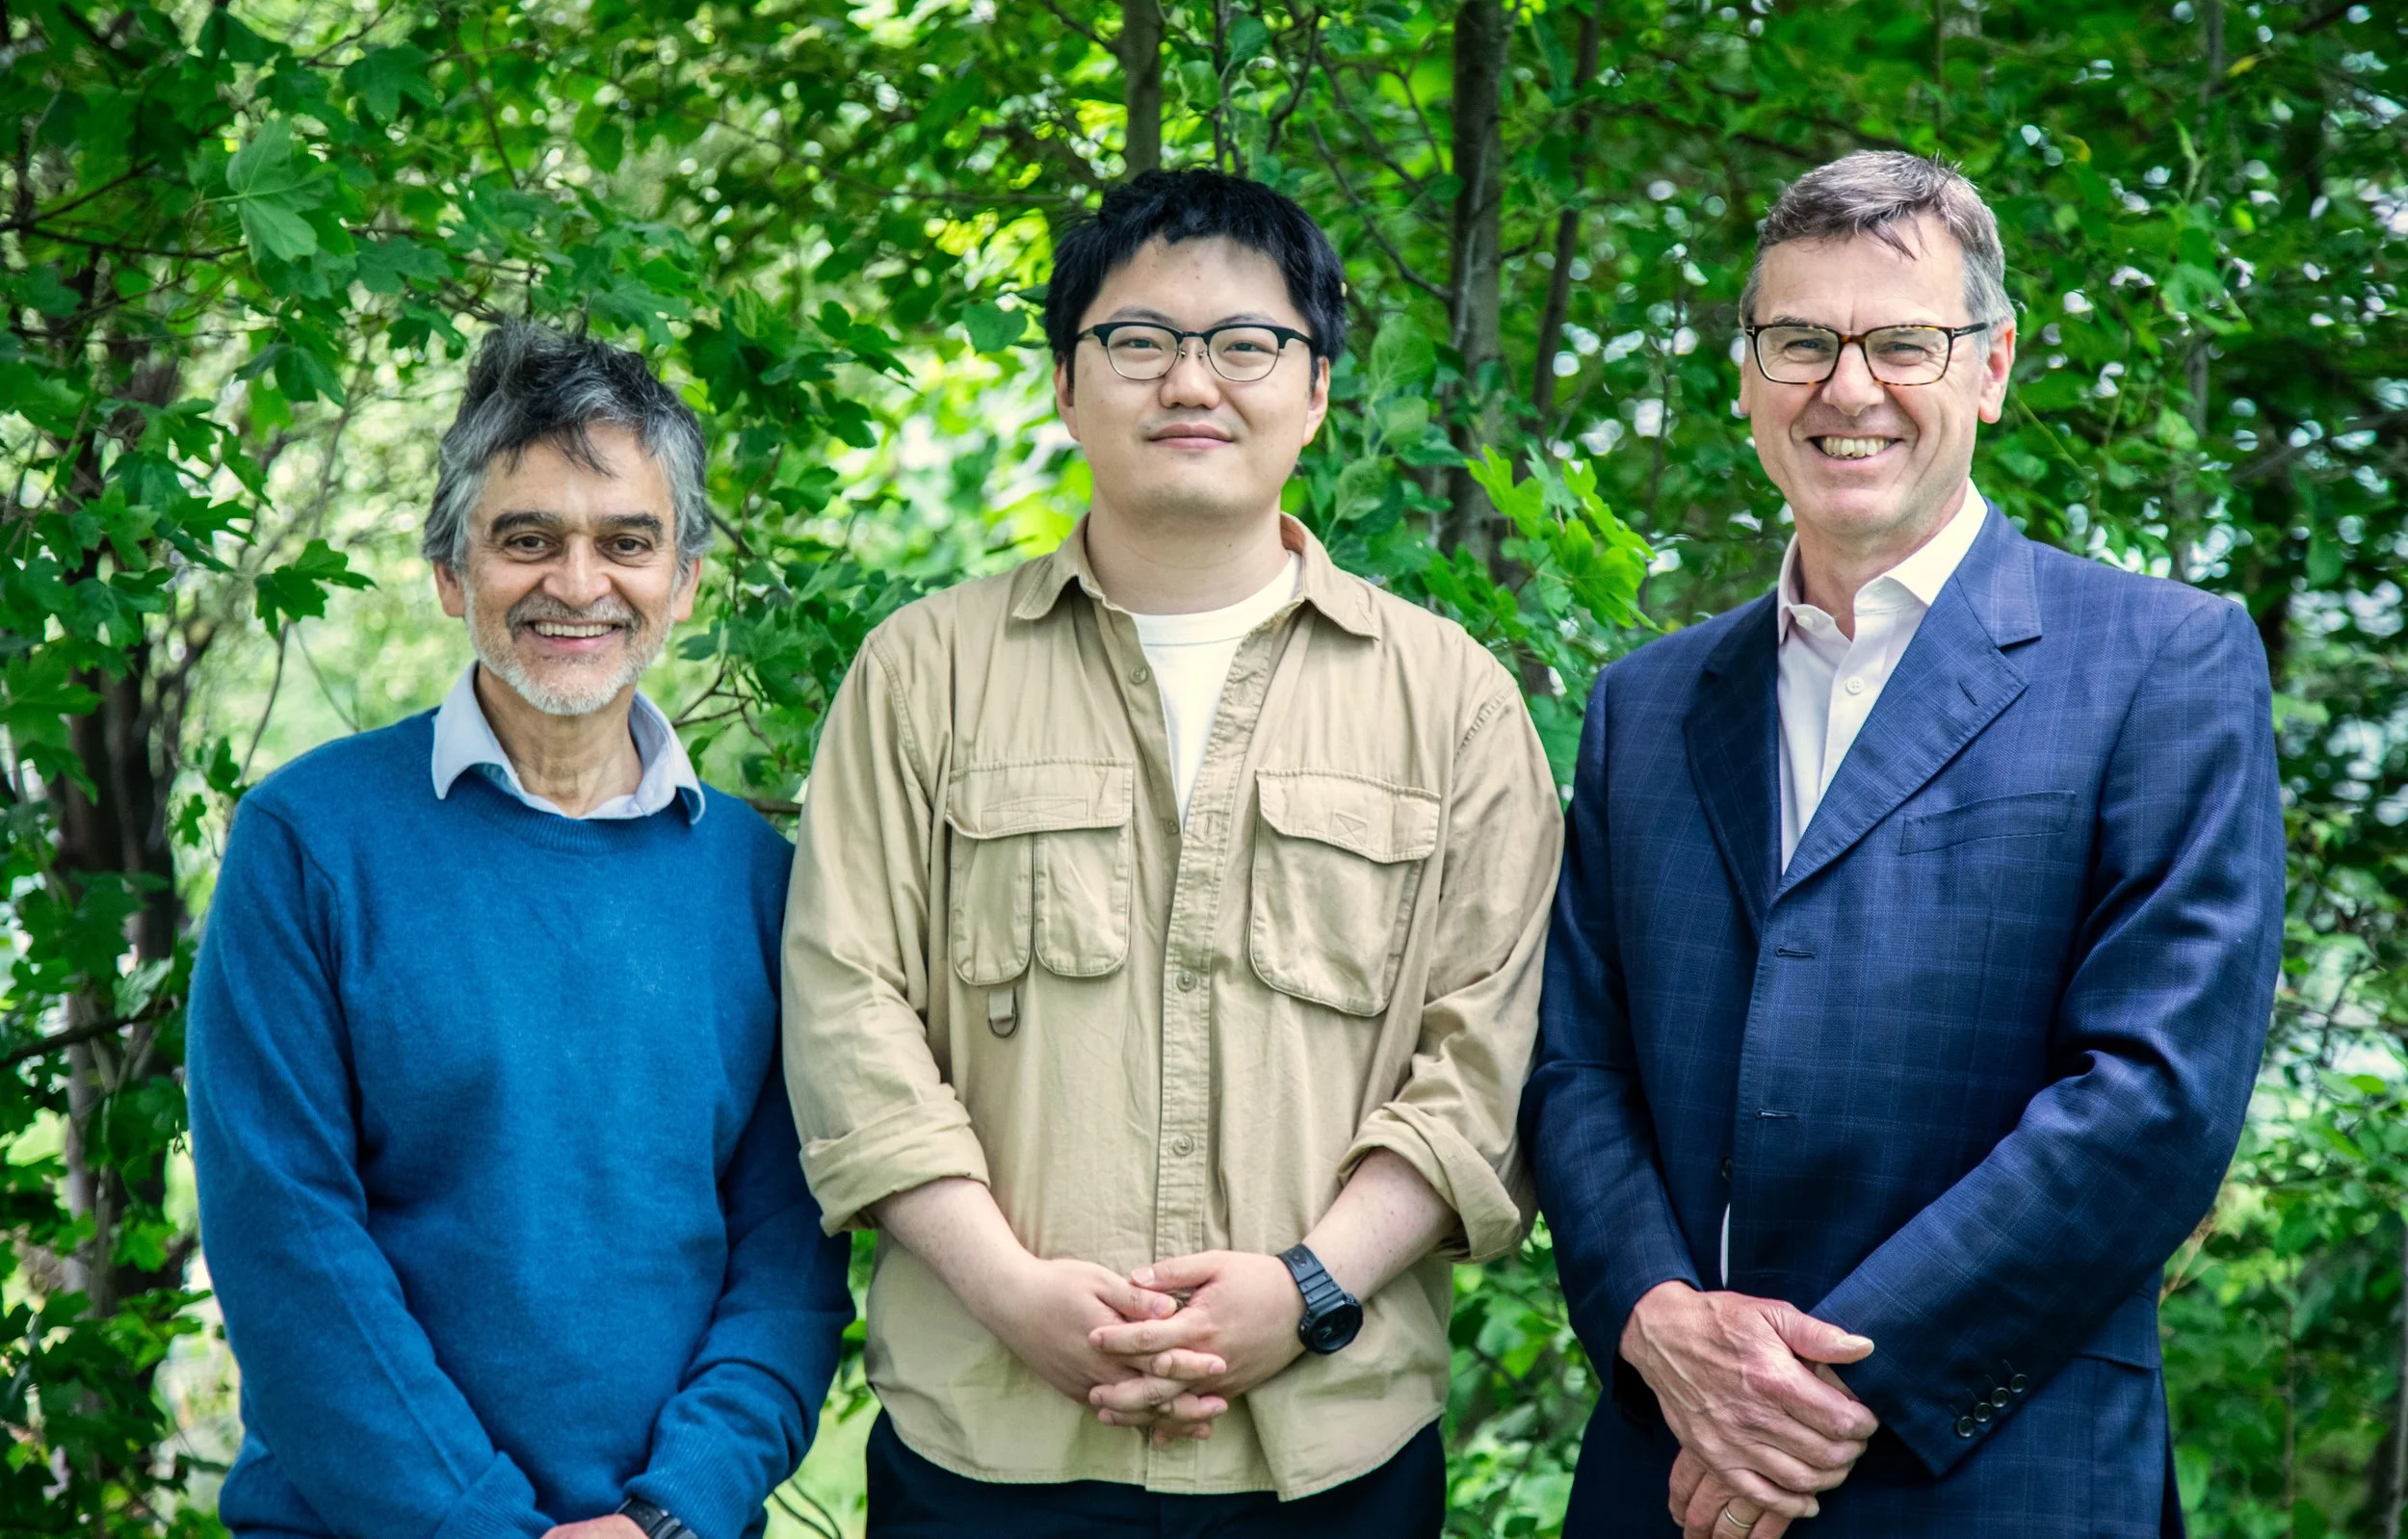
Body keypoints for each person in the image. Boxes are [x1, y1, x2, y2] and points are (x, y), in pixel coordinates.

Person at [780, 168, 1563, 1537]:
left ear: (1317, 388)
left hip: (1331, 1455)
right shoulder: (923, 674)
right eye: (1137, 341)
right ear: (1068, 386)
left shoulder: (1450, 699)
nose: (1190, 380)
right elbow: (848, 1017)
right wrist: (1015, 1289)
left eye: (1246, 343)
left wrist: (1309, 1287)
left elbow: (1487, 1058)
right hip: (990, 1447)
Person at [1523, 151, 2285, 1539]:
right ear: (1748, 376)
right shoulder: (1647, 702)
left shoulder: (2161, 663)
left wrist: (1805, 1392)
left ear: (1990, 366)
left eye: (1902, 343)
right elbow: (1577, 1059)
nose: (1847, 387)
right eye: (1800, 342)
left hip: (1994, 1464)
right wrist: (1659, 1323)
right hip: (1666, 1472)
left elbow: (2153, 1096)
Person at [189, 324, 853, 1539]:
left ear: (686, 580)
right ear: (453, 571)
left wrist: (670, 1509)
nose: (578, 582)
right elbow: (287, 1245)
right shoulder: (311, 840)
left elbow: (790, 1260)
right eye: (527, 539)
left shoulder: (763, 885)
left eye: (626, 542)